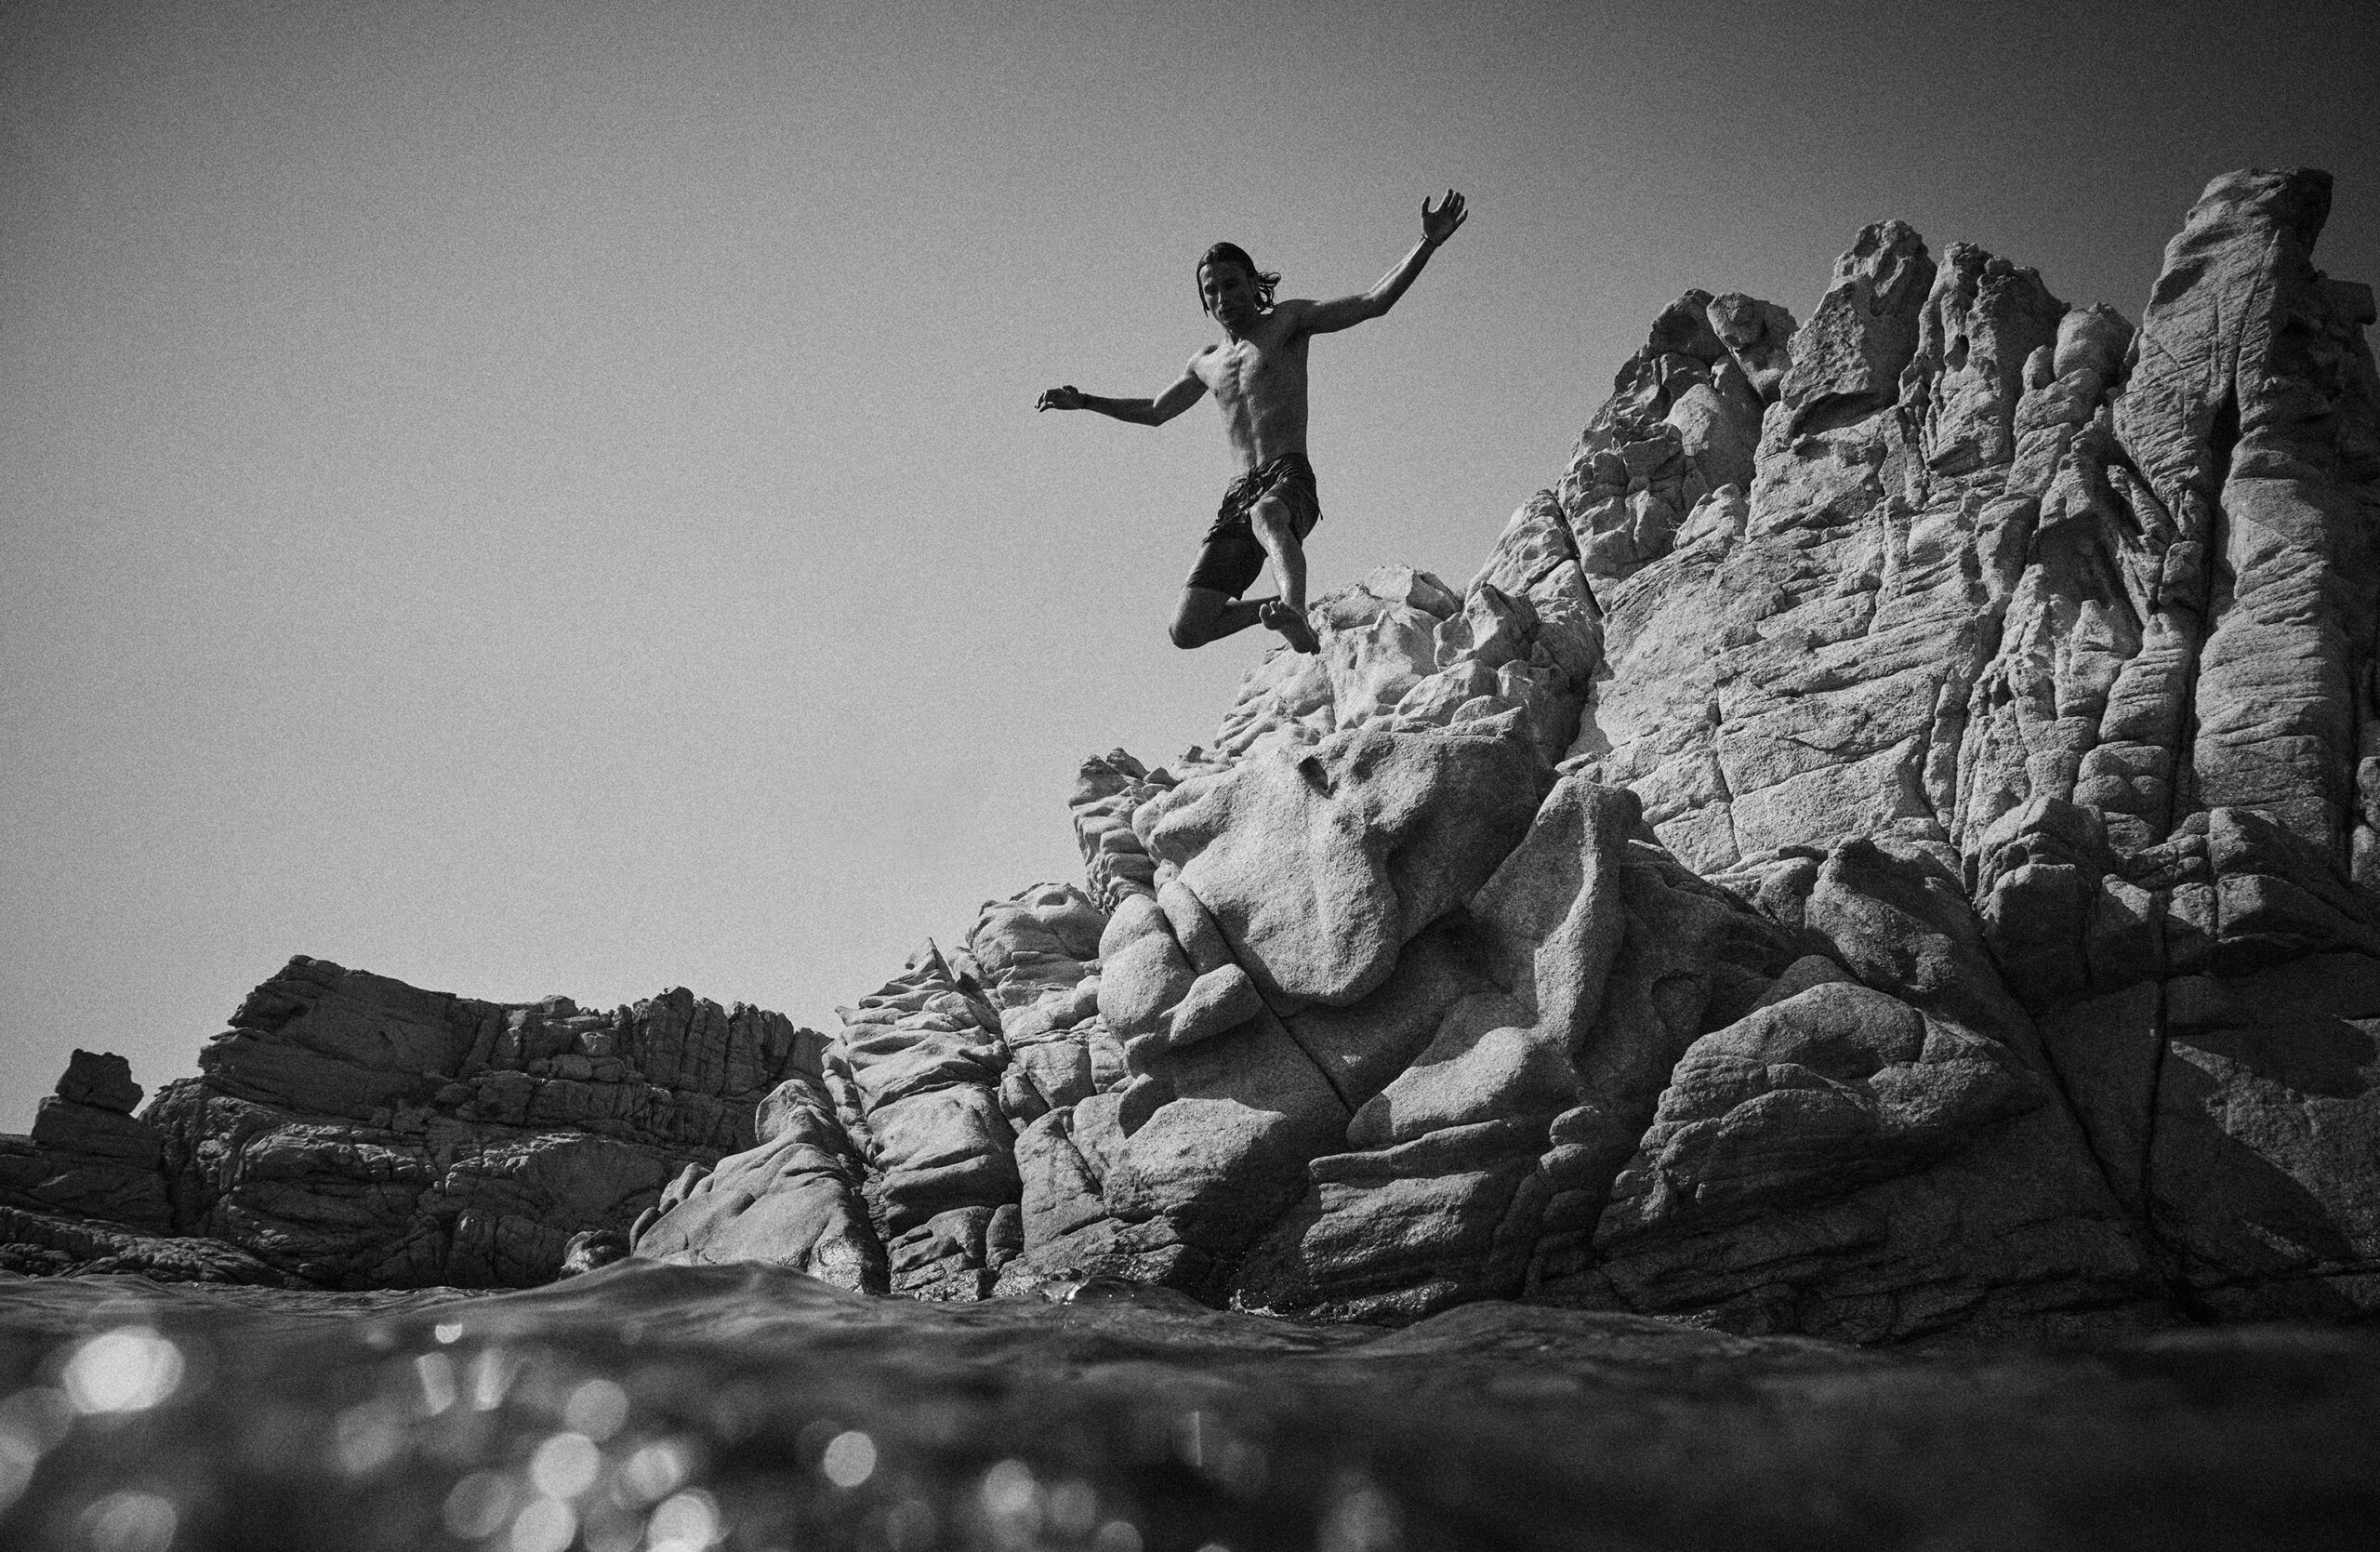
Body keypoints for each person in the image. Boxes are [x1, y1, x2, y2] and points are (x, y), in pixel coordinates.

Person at [1038, 192, 1469, 654]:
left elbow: (1372, 301)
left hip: (1288, 478)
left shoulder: (1287, 322)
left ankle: (1295, 611)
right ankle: (1281, 607)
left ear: (1252, 283)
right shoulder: (1205, 362)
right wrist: (1085, 401)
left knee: (1268, 514)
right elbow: (1156, 411)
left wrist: (1427, 243)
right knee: (1186, 627)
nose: (1223, 297)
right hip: (1237, 497)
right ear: (1204, 301)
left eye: (1232, 284)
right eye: (1212, 291)